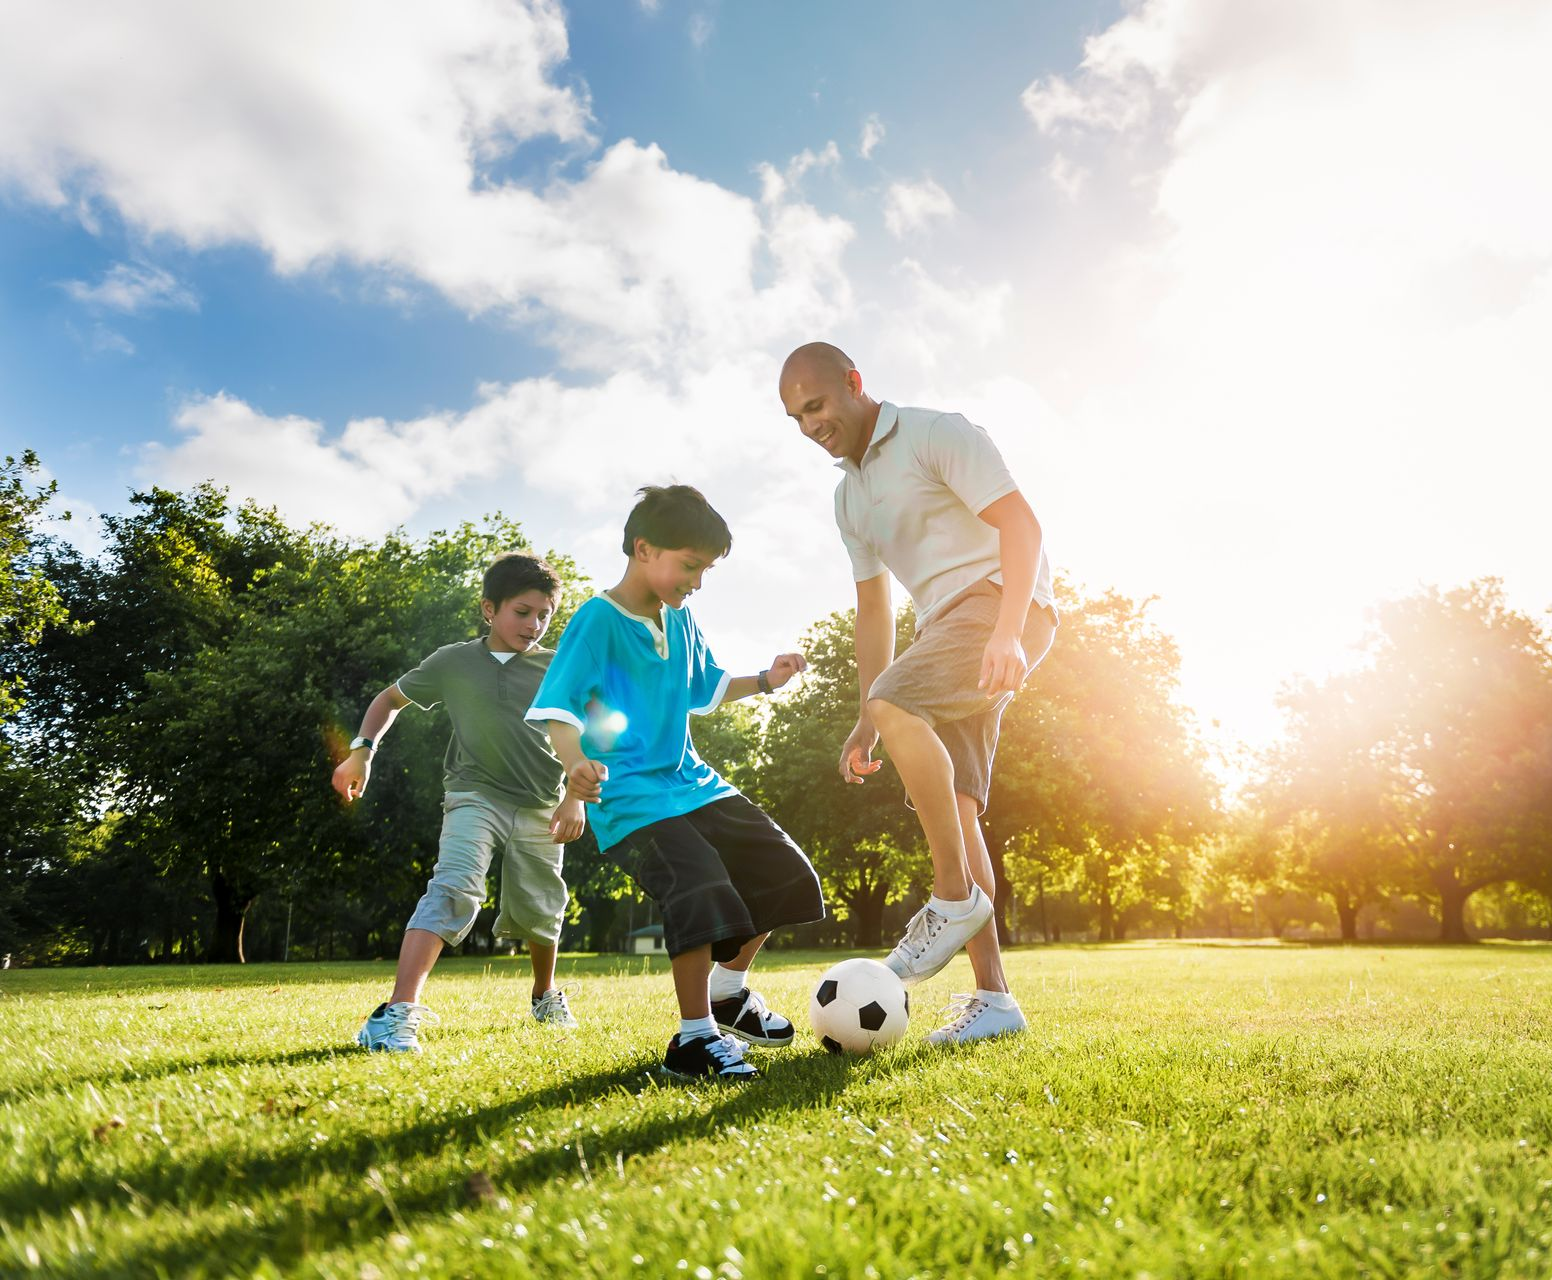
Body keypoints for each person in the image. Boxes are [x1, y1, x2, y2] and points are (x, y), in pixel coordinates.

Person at [777, 342, 1057, 1045]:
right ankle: (994, 1002)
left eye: (816, 406)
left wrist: (1007, 632)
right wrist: (866, 718)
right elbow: (876, 611)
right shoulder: (849, 498)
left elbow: (1022, 525)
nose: (810, 425)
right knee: (958, 805)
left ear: (853, 383)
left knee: (898, 704)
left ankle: (953, 897)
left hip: (998, 605)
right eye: (795, 418)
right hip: (943, 629)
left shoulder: (937, 433)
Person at [526, 485, 825, 1082]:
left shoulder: (682, 616)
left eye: (705, 570)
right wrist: (573, 763)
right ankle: (694, 1039)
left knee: (785, 871)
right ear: (643, 549)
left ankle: (727, 991)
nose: (696, 580)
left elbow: (703, 687)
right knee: (699, 883)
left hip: (693, 782)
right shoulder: (597, 621)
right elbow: (557, 707)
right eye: (690, 565)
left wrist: (766, 679)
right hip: (632, 797)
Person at [332, 552, 586, 1052]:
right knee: (454, 888)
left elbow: (584, 734)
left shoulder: (557, 668)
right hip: (474, 795)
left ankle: (544, 994)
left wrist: (575, 798)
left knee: (541, 907)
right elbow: (388, 700)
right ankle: (396, 1013)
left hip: (542, 803)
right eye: (522, 611)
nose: (533, 625)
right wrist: (362, 752)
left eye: (544, 615)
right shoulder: (453, 661)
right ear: (490, 609)